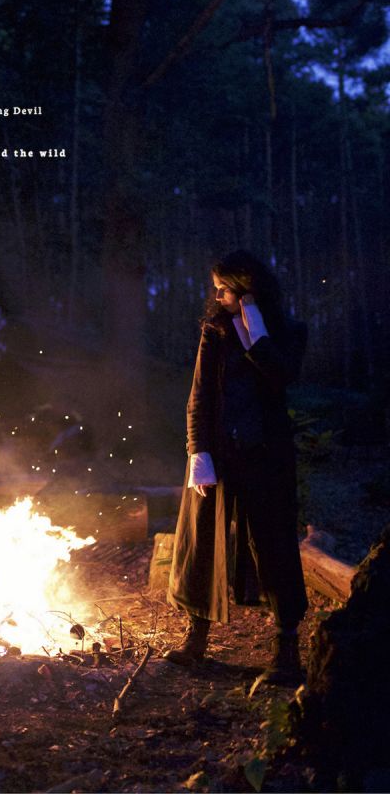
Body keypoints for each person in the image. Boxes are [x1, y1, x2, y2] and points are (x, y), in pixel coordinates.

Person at [164, 251, 308, 686]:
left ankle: (286, 648)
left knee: (274, 543)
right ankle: (196, 637)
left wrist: (257, 335)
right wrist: (198, 452)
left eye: (224, 289)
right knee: (201, 540)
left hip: (266, 453)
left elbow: (282, 377)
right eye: (216, 289)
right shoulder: (216, 331)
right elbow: (199, 396)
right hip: (218, 453)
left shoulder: (289, 333)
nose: (218, 297)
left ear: (248, 289)